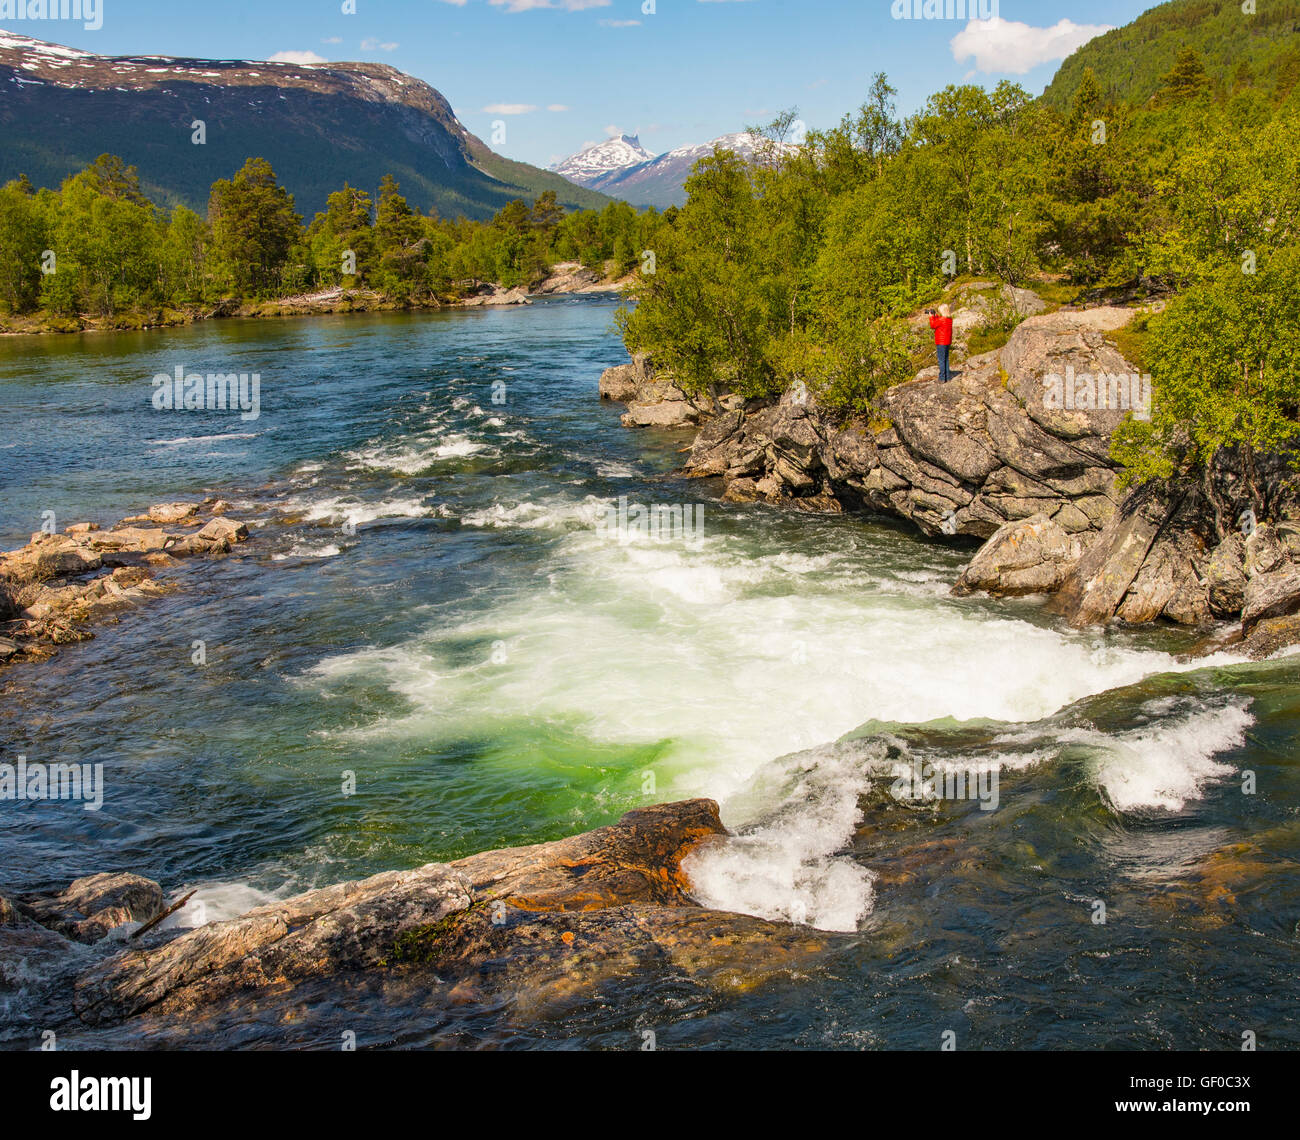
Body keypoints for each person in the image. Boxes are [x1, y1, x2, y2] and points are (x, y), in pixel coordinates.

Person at [928, 303, 954, 383]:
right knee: (946, 359)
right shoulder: (949, 319)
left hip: (941, 342)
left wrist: (931, 317)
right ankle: (948, 377)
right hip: (947, 341)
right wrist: (935, 316)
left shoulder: (942, 320)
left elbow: (933, 325)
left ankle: (942, 378)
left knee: (941, 360)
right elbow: (939, 321)